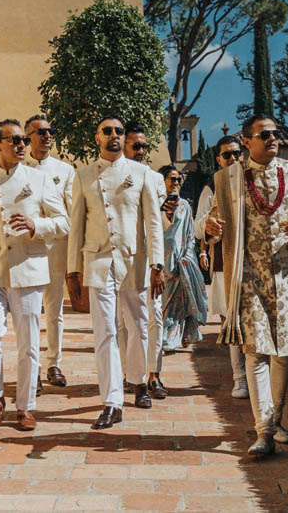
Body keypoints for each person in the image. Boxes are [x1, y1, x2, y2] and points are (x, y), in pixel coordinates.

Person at [207, 114, 288, 456]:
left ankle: (276, 419)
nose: (273, 139)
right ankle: (263, 431)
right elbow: (215, 218)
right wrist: (211, 228)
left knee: (283, 351)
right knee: (255, 351)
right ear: (247, 141)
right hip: (247, 277)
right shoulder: (228, 178)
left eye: (274, 134)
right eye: (265, 134)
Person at [0, 119, 70, 431]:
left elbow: (63, 222)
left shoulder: (38, 179)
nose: (22, 145)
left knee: (28, 342)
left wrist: (37, 226)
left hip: (28, 270)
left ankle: (25, 406)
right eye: (14, 140)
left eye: (23, 139)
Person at [66, 116, 164, 429]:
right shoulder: (83, 176)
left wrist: (157, 264)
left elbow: (153, 223)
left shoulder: (142, 173)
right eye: (107, 131)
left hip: (133, 261)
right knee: (105, 331)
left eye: (119, 132)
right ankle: (112, 401)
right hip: (97, 262)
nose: (114, 135)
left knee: (137, 327)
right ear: (97, 138)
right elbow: (76, 225)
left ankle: (137, 380)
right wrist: (72, 270)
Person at [116, 122, 169, 403]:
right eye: (135, 145)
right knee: (124, 323)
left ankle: (154, 374)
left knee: (154, 318)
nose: (140, 150)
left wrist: (157, 265)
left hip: (150, 260)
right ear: (124, 144)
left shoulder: (152, 177)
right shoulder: (112, 174)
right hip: (121, 259)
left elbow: (158, 224)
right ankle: (129, 373)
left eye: (144, 146)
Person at [23, 115, 75, 388]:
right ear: (28, 135)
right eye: (41, 132)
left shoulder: (65, 170)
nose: (47, 136)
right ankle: (32, 369)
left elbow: (70, 214)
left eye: (50, 131)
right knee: (29, 311)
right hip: (26, 250)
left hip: (55, 248)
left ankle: (53, 363)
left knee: (54, 310)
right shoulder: (18, 167)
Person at [196, 135, 249, 399]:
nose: (232, 159)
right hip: (223, 262)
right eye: (226, 155)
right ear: (218, 159)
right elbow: (198, 227)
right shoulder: (211, 187)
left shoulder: (253, 182)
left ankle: (254, 377)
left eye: (236, 153)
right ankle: (240, 379)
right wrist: (208, 226)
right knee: (230, 321)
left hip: (252, 261)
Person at [158, 166, 207, 352]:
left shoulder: (185, 205)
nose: (176, 182)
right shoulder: (155, 203)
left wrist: (189, 254)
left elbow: (189, 232)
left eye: (178, 179)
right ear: (162, 181)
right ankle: (162, 339)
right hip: (163, 261)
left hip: (182, 260)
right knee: (164, 302)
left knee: (180, 302)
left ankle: (174, 338)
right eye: (172, 178)